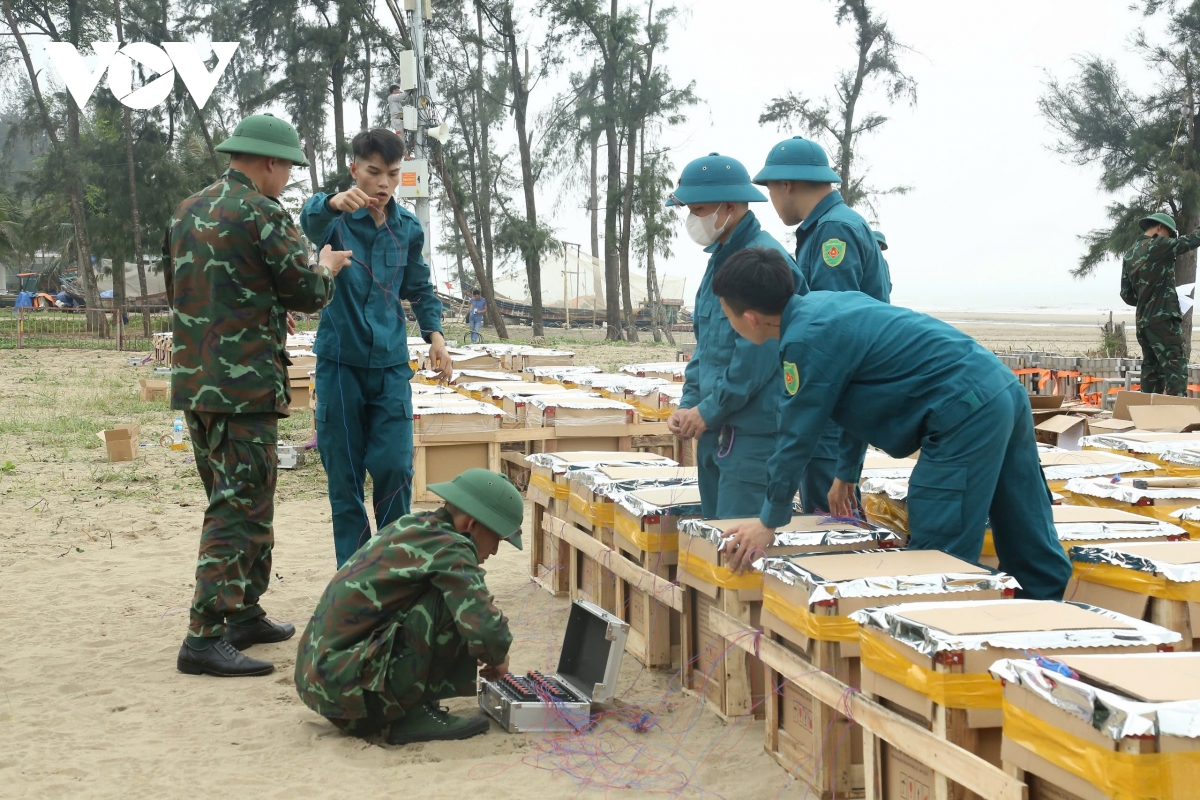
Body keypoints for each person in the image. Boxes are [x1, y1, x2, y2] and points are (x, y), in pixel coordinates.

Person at [717, 247, 1071, 601]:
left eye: (726, 315)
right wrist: (846, 473)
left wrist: (768, 521)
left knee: (940, 550)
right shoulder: (824, 308)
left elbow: (796, 435)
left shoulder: (803, 342)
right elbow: (853, 399)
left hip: (963, 412)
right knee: (1023, 521)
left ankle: (953, 632)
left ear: (749, 318)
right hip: (1001, 389)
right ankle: (1045, 614)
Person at [167, 113, 352, 677]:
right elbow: (307, 289)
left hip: (197, 381)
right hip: (243, 386)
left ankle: (242, 611)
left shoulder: (186, 210)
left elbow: (202, 287)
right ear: (269, 163)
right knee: (238, 506)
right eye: (288, 169)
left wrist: (261, 309)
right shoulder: (263, 212)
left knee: (241, 498)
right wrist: (326, 265)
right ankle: (203, 635)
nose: (288, 180)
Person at [301, 129, 451, 568]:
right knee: (344, 480)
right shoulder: (334, 220)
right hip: (340, 366)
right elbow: (307, 217)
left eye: (392, 173)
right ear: (355, 170)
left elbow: (420, 288)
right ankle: (352, 581)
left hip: (389, 369)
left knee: (394, 468)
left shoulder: (407, 229)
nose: (383, 183)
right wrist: (331, 202)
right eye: (373, 172)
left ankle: (389, 575)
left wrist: (436, 336)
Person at [294, 469, 522, 744]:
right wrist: (499, 657)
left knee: (453, 599)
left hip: (324, 681)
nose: (496, 550)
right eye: (497, 538)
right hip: (348, 696)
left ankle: (413, 705)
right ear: (471, 525)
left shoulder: (416, 527)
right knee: (454, 603)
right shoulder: (450, 547)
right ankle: (410, 716)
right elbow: (484, 625)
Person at [664, 153, 808, 519]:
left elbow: (756, 355)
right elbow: (706, 347)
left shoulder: (764, 262)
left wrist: (709, 409)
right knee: (715, 541)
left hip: (753, 435)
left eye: (698, 210)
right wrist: (689, 404)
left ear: (729, 206)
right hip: (715, 428)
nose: (692, 220)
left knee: (738, 549)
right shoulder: (720, 261)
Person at [751, 136, 890, 513]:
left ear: (787, 185)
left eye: (771, 189)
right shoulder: (827, 227)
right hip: (834, 397)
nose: (772, 201)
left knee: (830, 522)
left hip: (833, 399)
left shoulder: (834, 231)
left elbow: (833, 332)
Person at [1121, 212, 1200, 396]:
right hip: (1163, 321)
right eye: (1170, 234)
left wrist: (1148, 298)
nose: (1171, 239)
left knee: (1151, 369)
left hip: (1143, 322)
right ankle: (1175, 416)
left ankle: (1147, 417)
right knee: (1176, 368)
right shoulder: (1158, 245)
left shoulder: (1130, 254)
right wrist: (1161, 300)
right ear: (1159, 227)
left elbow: (1127, 295)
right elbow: (1191, 241)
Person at [872, 230, 894, 297]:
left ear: (881, 246)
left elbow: (888, 287)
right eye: (874, 242)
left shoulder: (884, 263)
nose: (876, 245)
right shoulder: (863, 260)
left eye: (879, 243)